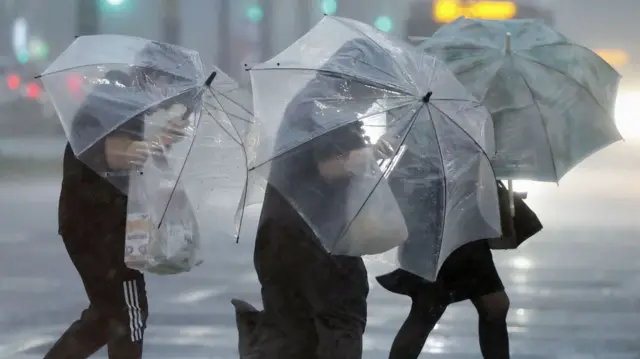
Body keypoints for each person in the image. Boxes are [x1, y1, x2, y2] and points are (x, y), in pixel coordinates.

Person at [247, 38, 410, 359]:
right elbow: (331, 168)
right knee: (340, 320)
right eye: (375, 90)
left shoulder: (311, 101)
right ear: (358, 81)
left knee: (293, 329)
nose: (375, 99)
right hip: (317, 236)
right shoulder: (329, 111)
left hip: (280, 234)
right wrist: (373, 152)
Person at [45, 57, 195, 358]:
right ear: (156, 78)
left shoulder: (121, 96)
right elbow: (117, 156)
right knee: (130, 313)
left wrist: (160, 139)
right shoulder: (119, 100)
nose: (167, 102)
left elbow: (118, 154)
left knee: (105, 316)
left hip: (90, 222)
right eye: (170, 91)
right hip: (99, 226)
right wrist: (160, 139)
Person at [376, 182, 538, 359]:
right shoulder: (428, 158)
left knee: (489, 306)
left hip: (460, 223)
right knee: (429, 308)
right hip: (441, 224)